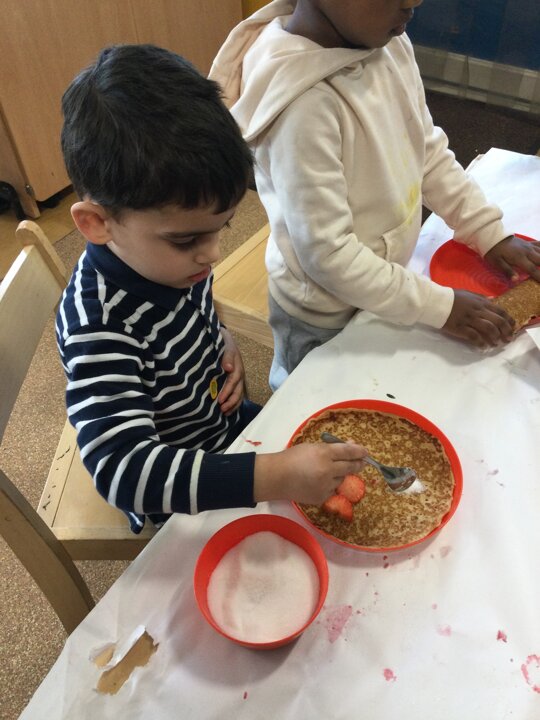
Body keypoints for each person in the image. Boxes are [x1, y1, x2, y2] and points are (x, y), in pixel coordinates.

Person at [57, 43, 367, 533]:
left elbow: (193, 309)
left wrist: (220, 338)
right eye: (187, 239)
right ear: (97, 223)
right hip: (179, 488)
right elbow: (123, 472)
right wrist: (273, 476)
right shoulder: (99, 325)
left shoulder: (168, 262)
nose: (213, 253)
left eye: (221, 229)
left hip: (218, 421)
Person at [210, 0, 540, 389]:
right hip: (324, 315)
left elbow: (426, 152)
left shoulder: (387, 43)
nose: (414, 3)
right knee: (317, 401)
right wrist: (440, 307)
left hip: (385, 285)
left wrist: (487, 230)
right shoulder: (303, 105)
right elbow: (329, 255)